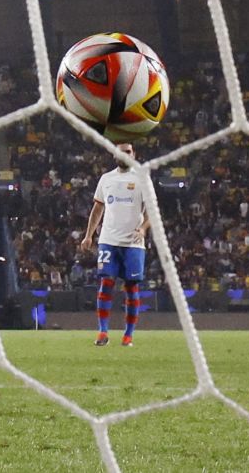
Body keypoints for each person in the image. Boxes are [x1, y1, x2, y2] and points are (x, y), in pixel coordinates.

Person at [80, 143, 150, 347]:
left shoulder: (142, 178)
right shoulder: (106, 179)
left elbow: (151, 211)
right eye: (121, 151)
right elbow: (97, 209)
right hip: (108, 240)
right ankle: (102, 332)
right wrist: (88, 235)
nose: (124, 154)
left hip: (133, 244)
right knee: (106, 283)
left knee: (131, 287)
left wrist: (143, 228)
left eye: (128, 151)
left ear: (134, 154)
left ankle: (128, 335)